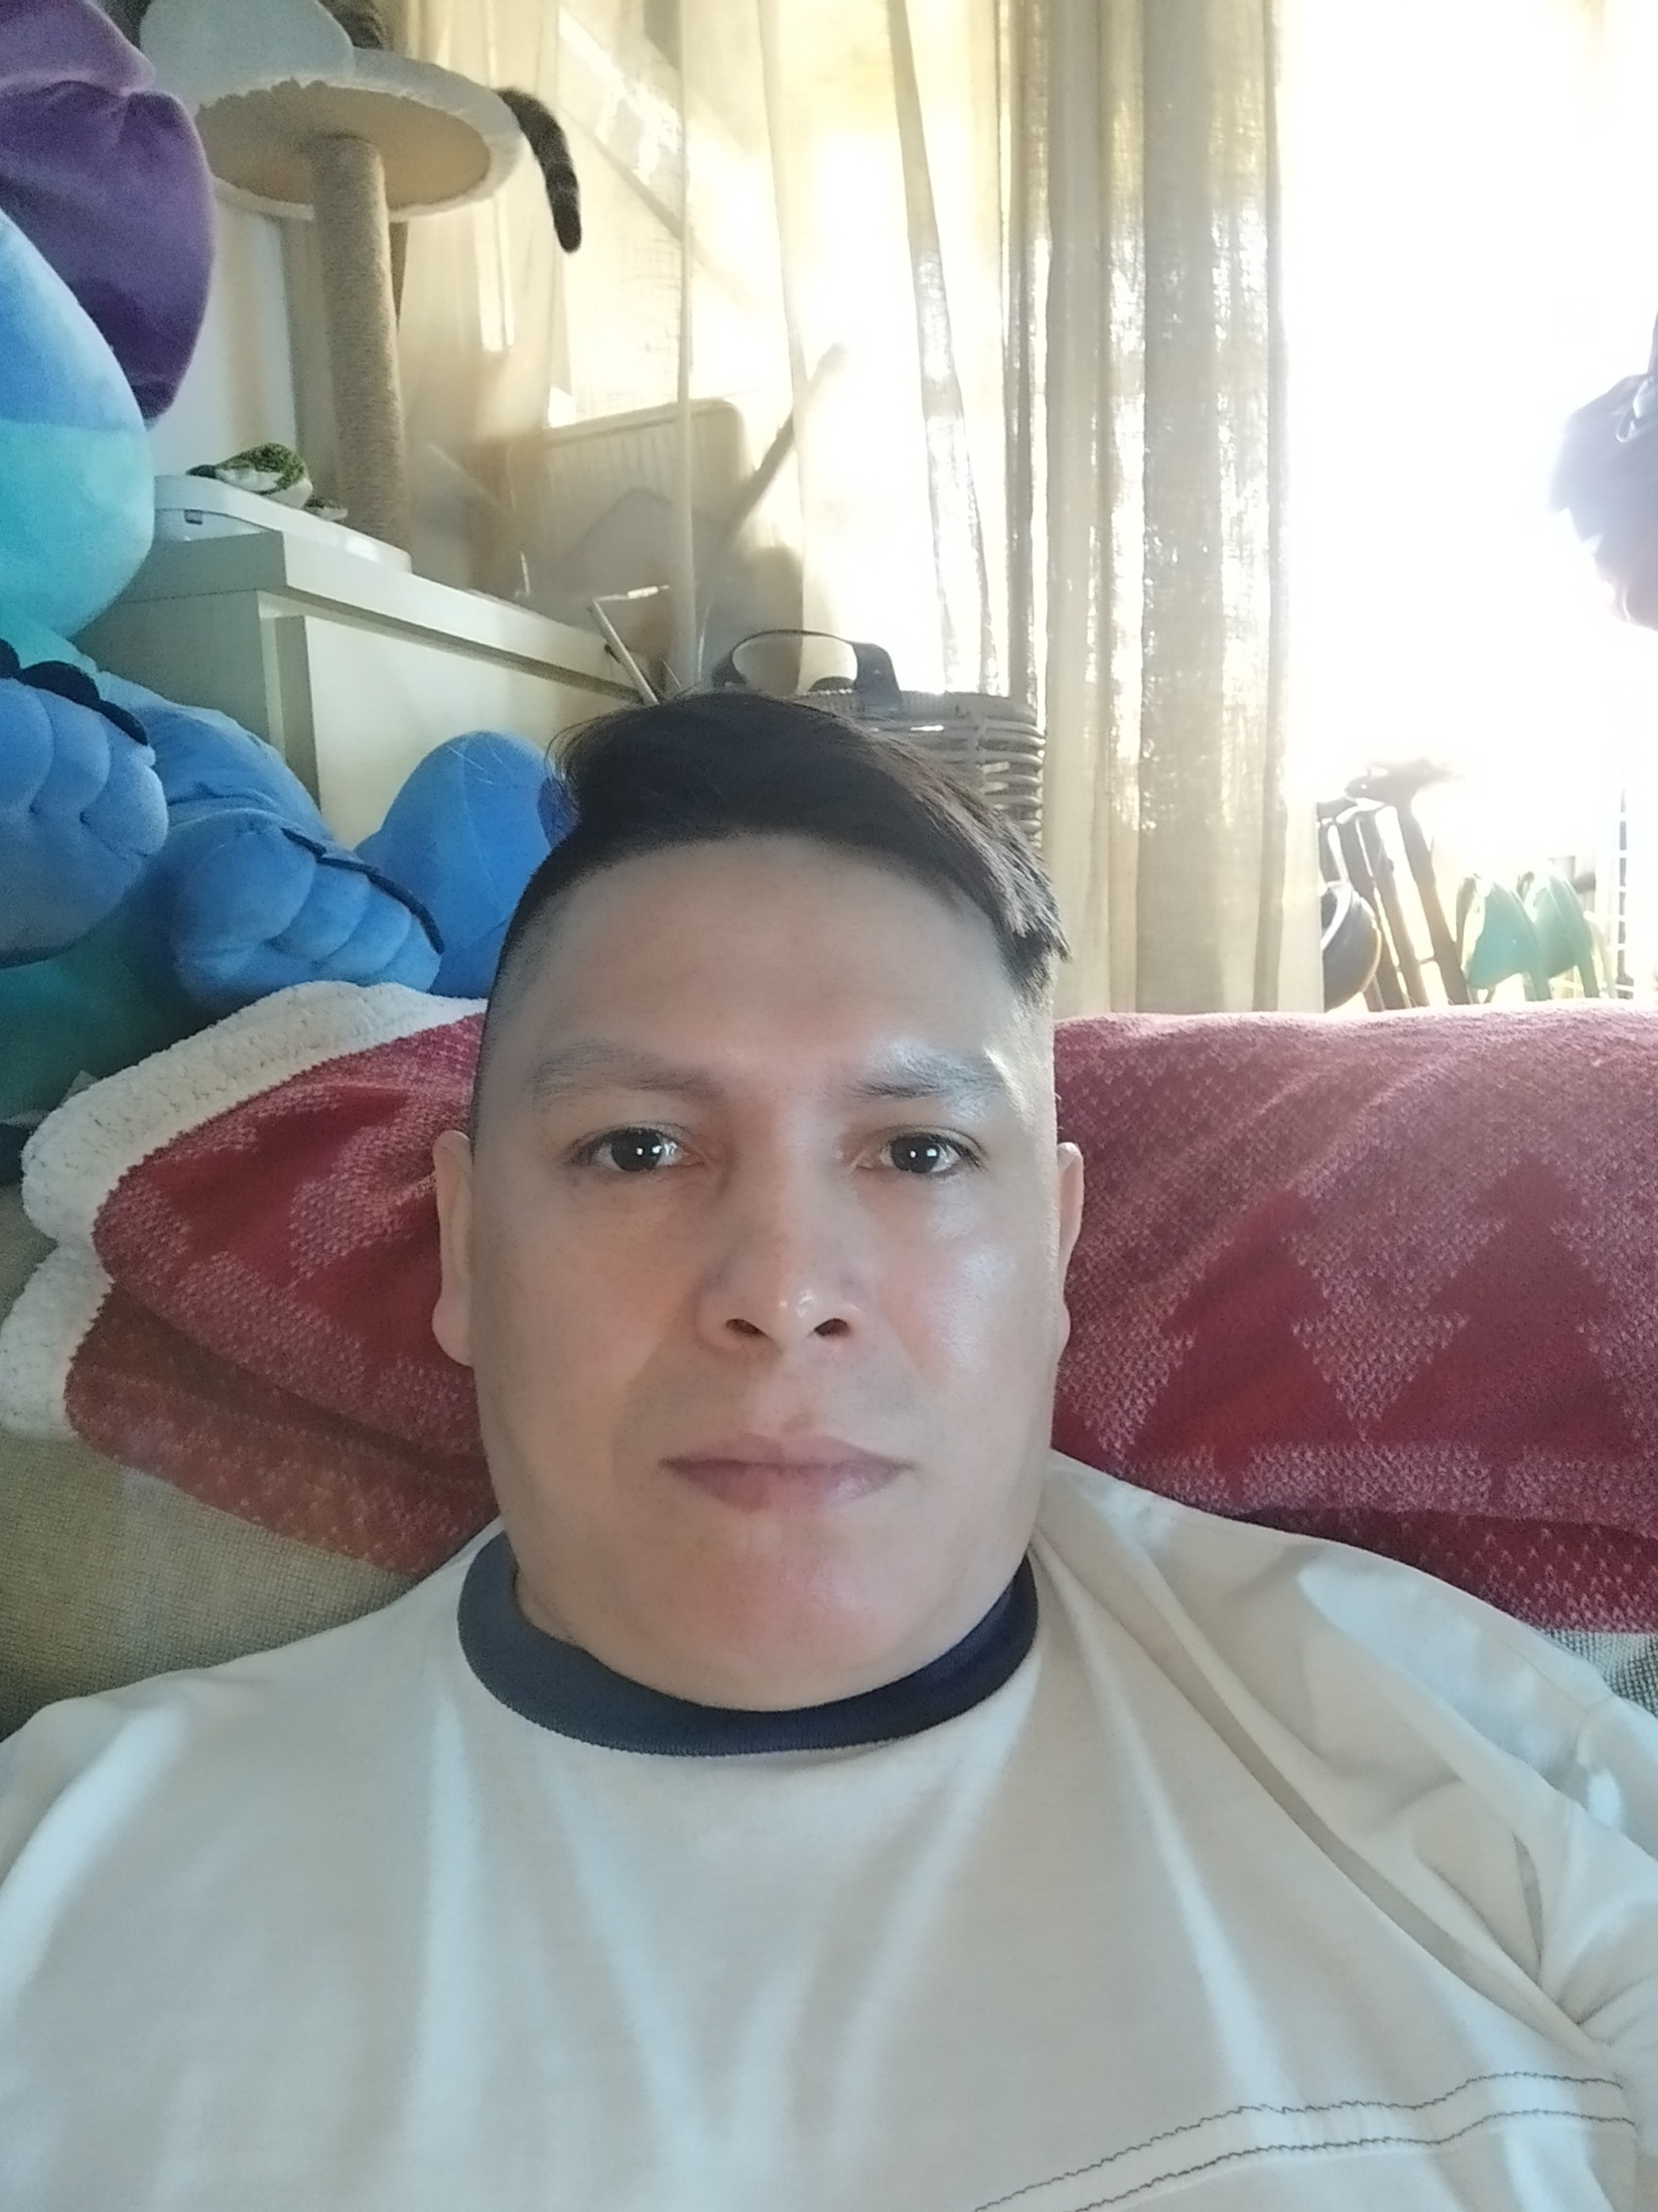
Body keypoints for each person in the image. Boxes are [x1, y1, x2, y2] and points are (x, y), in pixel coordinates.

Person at [0, 690, 1655, 2211]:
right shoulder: (60, 1876)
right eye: (635, 1149)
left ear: (1054, 1249)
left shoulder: (1459, 1762)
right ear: (463, 1250)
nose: (782, 1291)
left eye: (916, 1151)